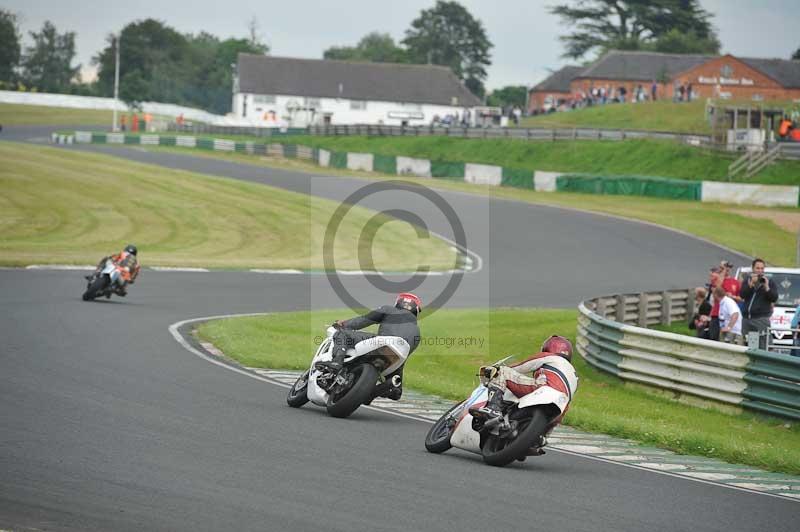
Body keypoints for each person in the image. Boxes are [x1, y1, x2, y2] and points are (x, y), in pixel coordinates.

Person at [468, 335, 577, 452]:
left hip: (542, 387)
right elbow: (566, 403)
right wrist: (545, 431)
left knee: (503, 372)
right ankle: (538, 439)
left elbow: (522, 367)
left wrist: (495, 369)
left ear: (548, 348)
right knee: (544, 432)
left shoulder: (549, 357)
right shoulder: (575, 376)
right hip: (560, 406)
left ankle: (493, 408)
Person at [316, 293, 422, 401]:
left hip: (382, 342)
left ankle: (336, 362)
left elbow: (362, 321)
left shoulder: (388, 309)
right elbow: (402, 360)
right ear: (416, 310)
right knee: (395, 387)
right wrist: (397, 385)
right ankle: (390, 389)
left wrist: (342, 325)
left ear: (398, 303)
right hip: (397, 357)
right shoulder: (417, 332)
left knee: (342, 334)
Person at [740, 258, 778, 337]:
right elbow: (742, 295)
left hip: (761, 318)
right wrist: (751, 285)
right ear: (753, 268)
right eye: (757, 268)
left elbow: (774, 298)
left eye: (762, 268)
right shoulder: (747, 280)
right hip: (747, 318)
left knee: (762, 343)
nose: (760, 270)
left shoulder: (769, 281)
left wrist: (767, 287)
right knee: (747, 344)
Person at [706, 266, 724, 341]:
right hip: (713, 314)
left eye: (713, 277)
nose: (711, 279)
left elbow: (718, 297)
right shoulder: (712, 287)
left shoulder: (719, 287)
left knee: (715, 337)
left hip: (719, 315)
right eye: (710, 276)